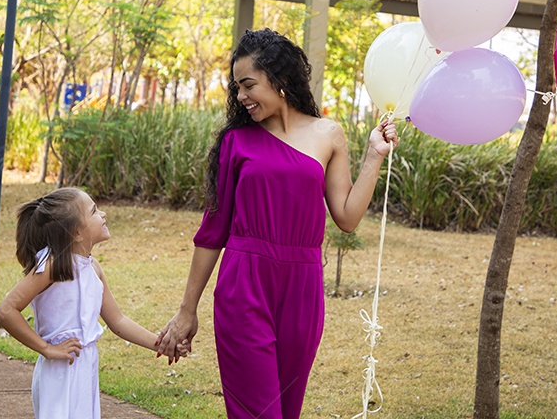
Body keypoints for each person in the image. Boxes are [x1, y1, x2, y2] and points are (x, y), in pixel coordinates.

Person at [156, 28, 398, 419]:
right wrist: (187, 310)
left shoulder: (328, 134)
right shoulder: (236, 141)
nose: (241, 97)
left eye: (248, 84)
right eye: (236, 87)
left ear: (280, 78)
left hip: (303, 290)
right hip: (243, 287)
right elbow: (213, 231)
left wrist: (375, 155)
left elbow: (347, 217)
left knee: (286, 411)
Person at [0, 187, 181, 419]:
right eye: (94, 211)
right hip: (60, 372)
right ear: (76, 233)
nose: (103, 214)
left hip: (86, 367)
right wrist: (47, 349)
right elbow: (6, 311)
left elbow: (118, 321)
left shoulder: (93, 268)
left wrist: (160, 344)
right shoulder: (52, 265)